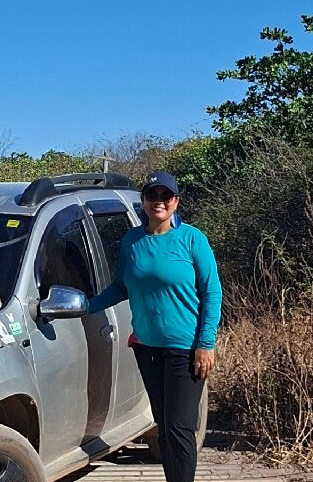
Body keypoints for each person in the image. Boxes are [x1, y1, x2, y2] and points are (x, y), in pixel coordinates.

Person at [87, 171, 222, 482]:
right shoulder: (132, 241)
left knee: (179, 428)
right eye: (152, 196)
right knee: (164, 424)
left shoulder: (192, 240)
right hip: (147, 348)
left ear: (175, 201)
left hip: (185, 349)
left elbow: (212, 291)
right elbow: (121, 286)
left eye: (165, 196)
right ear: (143, 201)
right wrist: (85, 306)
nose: (158, 202)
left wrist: (206, 343)